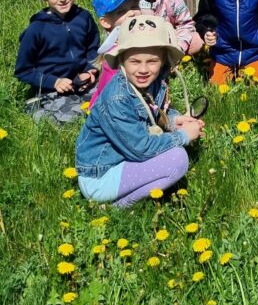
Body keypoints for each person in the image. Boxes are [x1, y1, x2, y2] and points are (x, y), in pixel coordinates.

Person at [75, 14, 204, 207]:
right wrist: (183, 136)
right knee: (178, 159)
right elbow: (141, 150)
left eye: (152, 61)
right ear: (121, 60)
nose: (143, 69)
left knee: (174, 151)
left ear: (163, 61)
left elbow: (150, 111)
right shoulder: (116, 98)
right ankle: (118, 207)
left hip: (121, 160)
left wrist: (173, 120)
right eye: (135, 61)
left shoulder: (153, 82)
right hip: (100, 175)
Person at [15, 0, 100, 125]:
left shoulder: (84, 18)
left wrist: (90, 72)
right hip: (51, 88)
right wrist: (54, 82)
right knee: (71, 118)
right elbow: (23, 71)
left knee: (109, 100)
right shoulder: (36, 29)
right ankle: (37, 106)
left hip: (81, 83)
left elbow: (93, 50)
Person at [90, 0, 147, 106]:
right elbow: (112, 95)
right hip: (114, 108)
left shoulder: (145, 36)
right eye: (121, 11)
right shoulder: (114, 55)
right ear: (105, 22)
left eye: (134, 7)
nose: (132, 13)